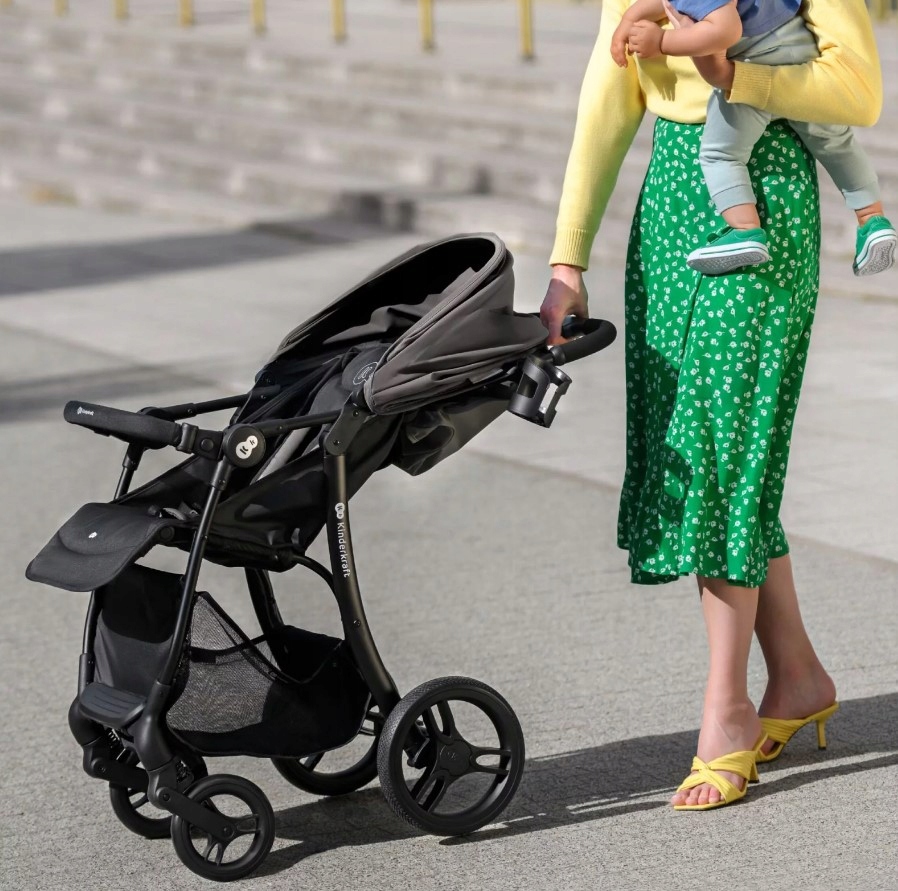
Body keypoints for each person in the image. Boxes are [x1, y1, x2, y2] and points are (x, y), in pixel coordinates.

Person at [539, 0, 881, 810]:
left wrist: (735, 73)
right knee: (707, 451)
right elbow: (608, 89)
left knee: (720, 444)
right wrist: (566, 258)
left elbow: (857, 90)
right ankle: (797, 676)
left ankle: (726, 709)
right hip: (670, 202)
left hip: (765, 194)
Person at [608, 0, 896, 277]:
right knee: (837, 142)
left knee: (721, 155)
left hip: (754, 64)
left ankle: (745, 230)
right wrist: (627, 21)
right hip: (803, 55)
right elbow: (666, 3)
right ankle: (872, 218)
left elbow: (724, 30)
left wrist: (662, 41)